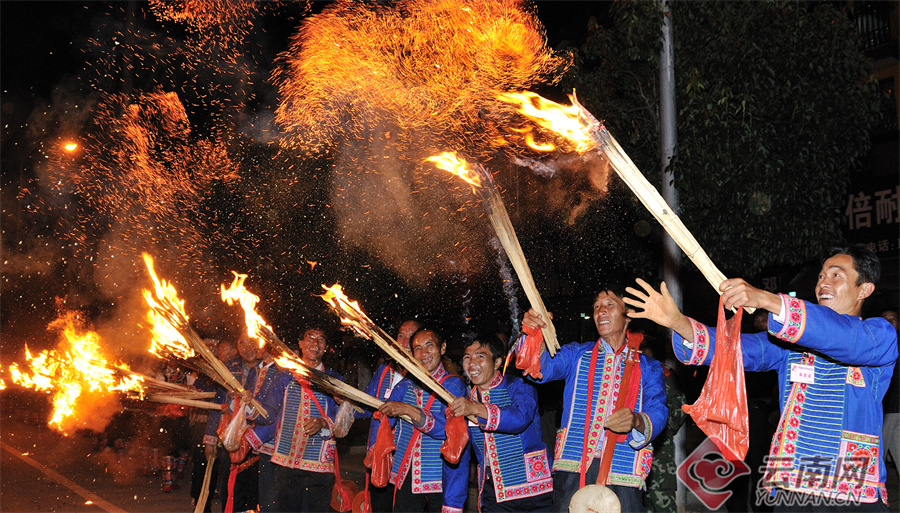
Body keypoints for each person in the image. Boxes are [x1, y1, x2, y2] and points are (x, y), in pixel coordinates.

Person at [625, 244, 899, 510]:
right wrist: (678, 323)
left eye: (836, 275)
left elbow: (844, 337)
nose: (823, 283)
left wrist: (765, 299)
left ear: (865, 289)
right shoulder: (791, 344)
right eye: (820, 276)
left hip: (850, 487)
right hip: (793, 489)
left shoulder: (879, 335)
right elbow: (733, 349)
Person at [519, 286, 668, 513]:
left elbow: (658, 410)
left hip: (624, 469)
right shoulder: (577, 355)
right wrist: (532, 333)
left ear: (628, 314)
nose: (600, 311)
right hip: (573, 465)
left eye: (609, 304)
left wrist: (636, 420)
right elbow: (539, 369)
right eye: (596, 306)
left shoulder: (649, 366)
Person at [448, 334, 553, 512]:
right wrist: (452, 504)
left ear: (497, 362)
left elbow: (520, 418)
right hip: (494, 493)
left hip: (534, 491)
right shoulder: (466, 401)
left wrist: (477, 409)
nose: (472, 363)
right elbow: (459, 453)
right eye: (467, 357)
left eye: (480, 356)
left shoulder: (519, 386)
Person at [378, 327, 469, 513]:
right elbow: (385, 417)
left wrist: (408, 410)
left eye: (429, 346)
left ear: (442, 348)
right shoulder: (405, 385)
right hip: (406, 472)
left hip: (439, 474)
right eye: (417, 348)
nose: (424, 353)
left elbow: (448, 428)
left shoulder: (453, 385)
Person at [263, 327, 343, 513]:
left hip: (319, 462)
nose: (315, 343)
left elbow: (345, 415)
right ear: (300, 343)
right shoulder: (285, 376)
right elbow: (267, 412)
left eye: (321, 339)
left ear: (326, 347)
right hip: (286, 460)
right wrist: (247, 403)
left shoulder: (334, 379)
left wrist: (324, 422)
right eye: (310, 338)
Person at [352, 319, 420, 513]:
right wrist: (347, 401)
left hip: (409, 459)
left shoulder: (423, 377)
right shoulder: (384, 371)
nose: (404, 342)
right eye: (401, 335)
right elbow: (367, 406)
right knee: (381, 506)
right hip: (380, 456)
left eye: (411, 337)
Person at [879, 310, 899, 474]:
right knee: (879, 449)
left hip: (896, 408)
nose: (890, 322)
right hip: (883, 408)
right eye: (886, 319)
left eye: (894, 319)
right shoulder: (876, 344)